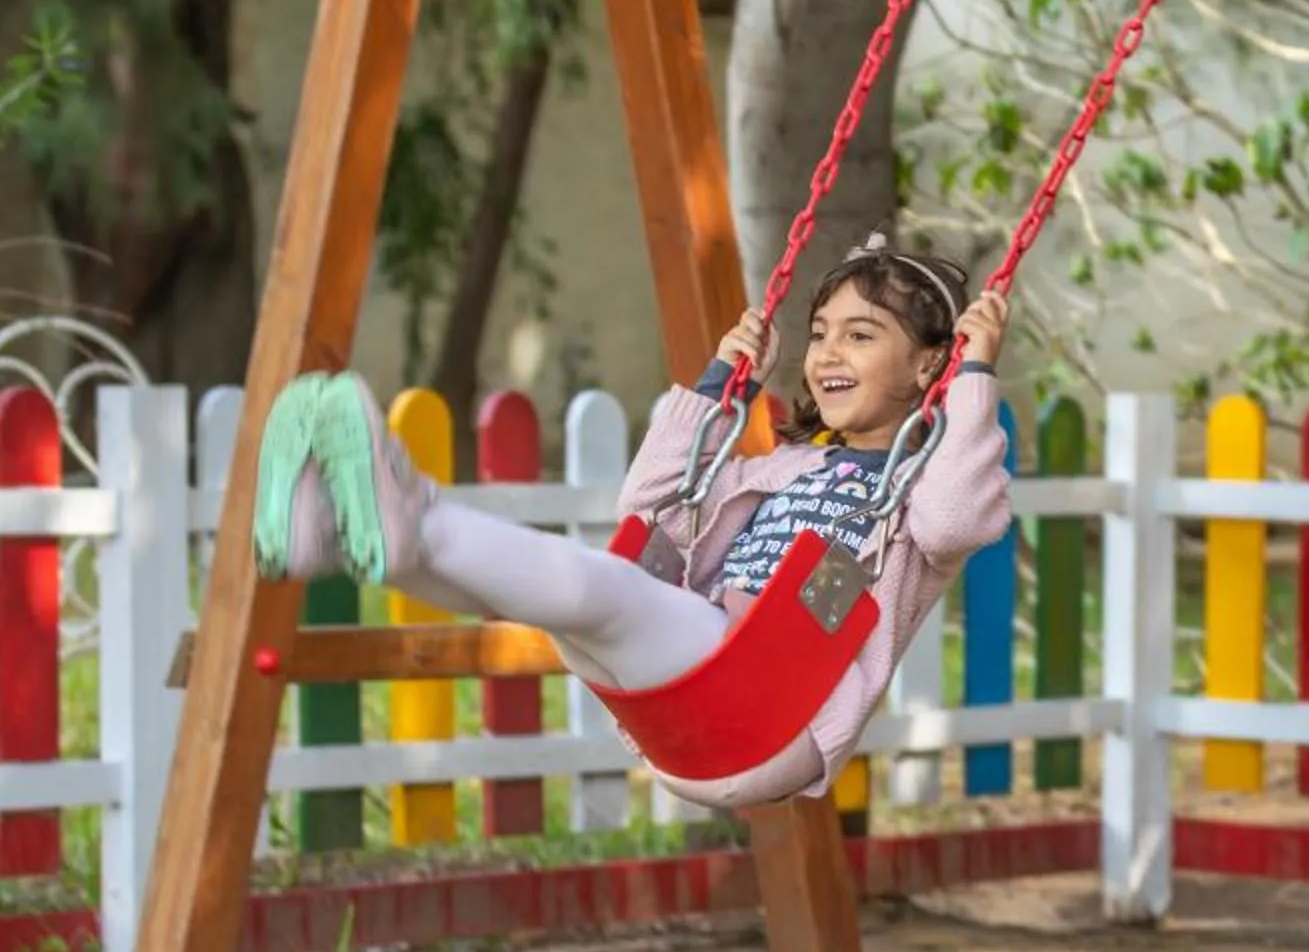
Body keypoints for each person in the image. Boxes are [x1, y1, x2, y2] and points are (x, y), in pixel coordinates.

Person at [250, 234, 1016, 811]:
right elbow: (650, 506)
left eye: (860, 334)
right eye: (819, 333)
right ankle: (360, 544)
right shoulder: (782, 469)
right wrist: (722, 383)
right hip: (681, 701)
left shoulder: (913, 497)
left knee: (605, 591)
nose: (825, 353)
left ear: (927, 366)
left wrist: (975, 376)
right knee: (553, 597)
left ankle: (413, 515)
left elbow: (956, 521)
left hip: (767, 716)